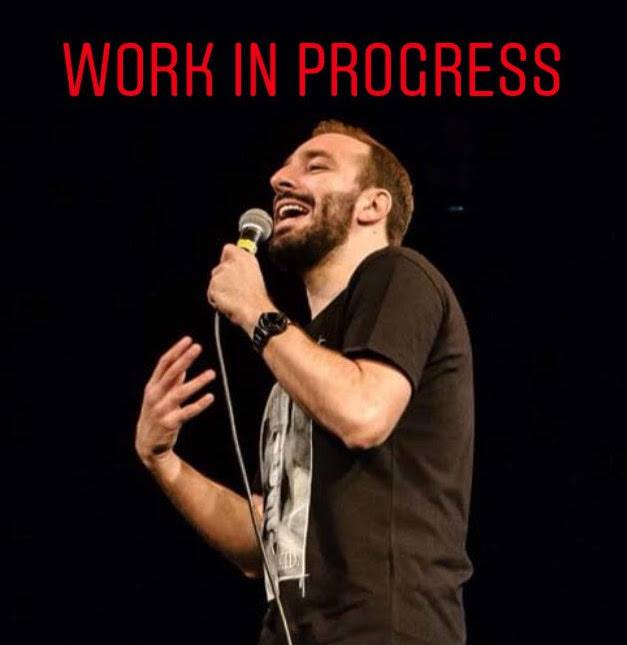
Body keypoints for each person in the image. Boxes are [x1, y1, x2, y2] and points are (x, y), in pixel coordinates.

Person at [135, 120, 475, 644]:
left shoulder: (401, 274)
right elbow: (262, 545)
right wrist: (163, 460)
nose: (279, 179)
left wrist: (256, 311)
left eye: (316, 166)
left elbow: (364, 413)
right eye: (284, 168)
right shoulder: (296, 361)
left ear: (372, 205)